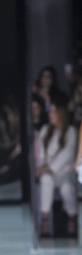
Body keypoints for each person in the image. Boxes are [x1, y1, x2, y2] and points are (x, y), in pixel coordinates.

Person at [36, 91, 78, 236]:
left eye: (54, 111)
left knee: (66, 188)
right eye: (50, 111)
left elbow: (67, 154)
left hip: (65, 172)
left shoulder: (70, 131)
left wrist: (48, 168)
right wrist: (42, 168)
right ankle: (45, 219)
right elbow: (41, 155)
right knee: (46, 180)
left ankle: (72, 216)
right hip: (49, 172)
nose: (51, 115)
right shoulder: (45, 130)